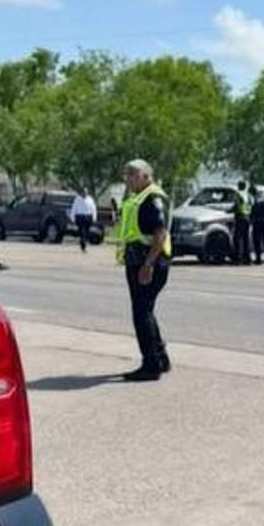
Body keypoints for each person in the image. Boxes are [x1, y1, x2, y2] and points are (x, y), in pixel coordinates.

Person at [116, 159, 172, 381]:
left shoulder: (153, 198)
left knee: (142, 313)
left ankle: (151, 365)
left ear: (146, 176)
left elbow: (160, 234)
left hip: (148, 263)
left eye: (132, 174)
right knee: (145, 311)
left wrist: (148, 264)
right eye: (126, 174)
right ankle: (160, 357)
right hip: (139, 262)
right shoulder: (137, 197)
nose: (128, 178)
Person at [70, 188, 98, 252]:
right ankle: (83, 245)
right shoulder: (77, 199)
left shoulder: (90, 199)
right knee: (82, 232)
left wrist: (94, 217)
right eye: (83, 192)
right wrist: (72, 217)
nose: (84, 193)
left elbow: (93, 208)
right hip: (80, 217)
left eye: (86, 192)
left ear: (87, 193)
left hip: (88, 217)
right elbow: (74, 208)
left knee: (87, 232)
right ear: (81, 192)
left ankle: (84, 242)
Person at [233, 180, 252, 265]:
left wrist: (228, 211)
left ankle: (237, 259)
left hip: (240, 218)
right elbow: (251, 205)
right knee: (245, 239)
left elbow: (236, 205)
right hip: (247, 218)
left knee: (237, 239)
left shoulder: (238, 194)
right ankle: (247, 259)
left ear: (239, 186)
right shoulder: (248, 195)